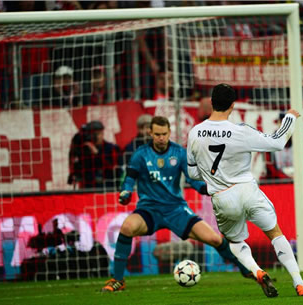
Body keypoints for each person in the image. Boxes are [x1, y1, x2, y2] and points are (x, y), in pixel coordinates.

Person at [186, 84, 303, 298]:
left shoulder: (195, 133)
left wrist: (211, 174)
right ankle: (299, 283)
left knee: (235, 241)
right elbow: (278, 142)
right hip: (247, 190)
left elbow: (193, 174)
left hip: (222, 197)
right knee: (275, 233)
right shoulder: (240, 131)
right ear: (233, 105)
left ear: (212, 103)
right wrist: (289, 117)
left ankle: (257, 271)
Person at [101, 116, 251, 292]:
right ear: (150, 133)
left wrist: (206, 188)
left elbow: (192, 180)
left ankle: (246, 270)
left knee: (214, 239)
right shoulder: (140, 155)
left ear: (169, 132)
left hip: (176, 209)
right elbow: (129, 180)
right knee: (127, 227)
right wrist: (125, 192)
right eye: (157, 134)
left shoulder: (179, 153)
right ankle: (118, 280)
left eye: (164, 134)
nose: (161, 138)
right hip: (149, 210)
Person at [68, 120, 123, 189]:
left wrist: (97, 154)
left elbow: (116, 170)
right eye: (93, 134)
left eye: (98, 134)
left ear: (103, 133)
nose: (97, 137)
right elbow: (78, 169)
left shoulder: (112, 148)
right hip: (88, 189)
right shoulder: (84, 149)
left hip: (108, 189)